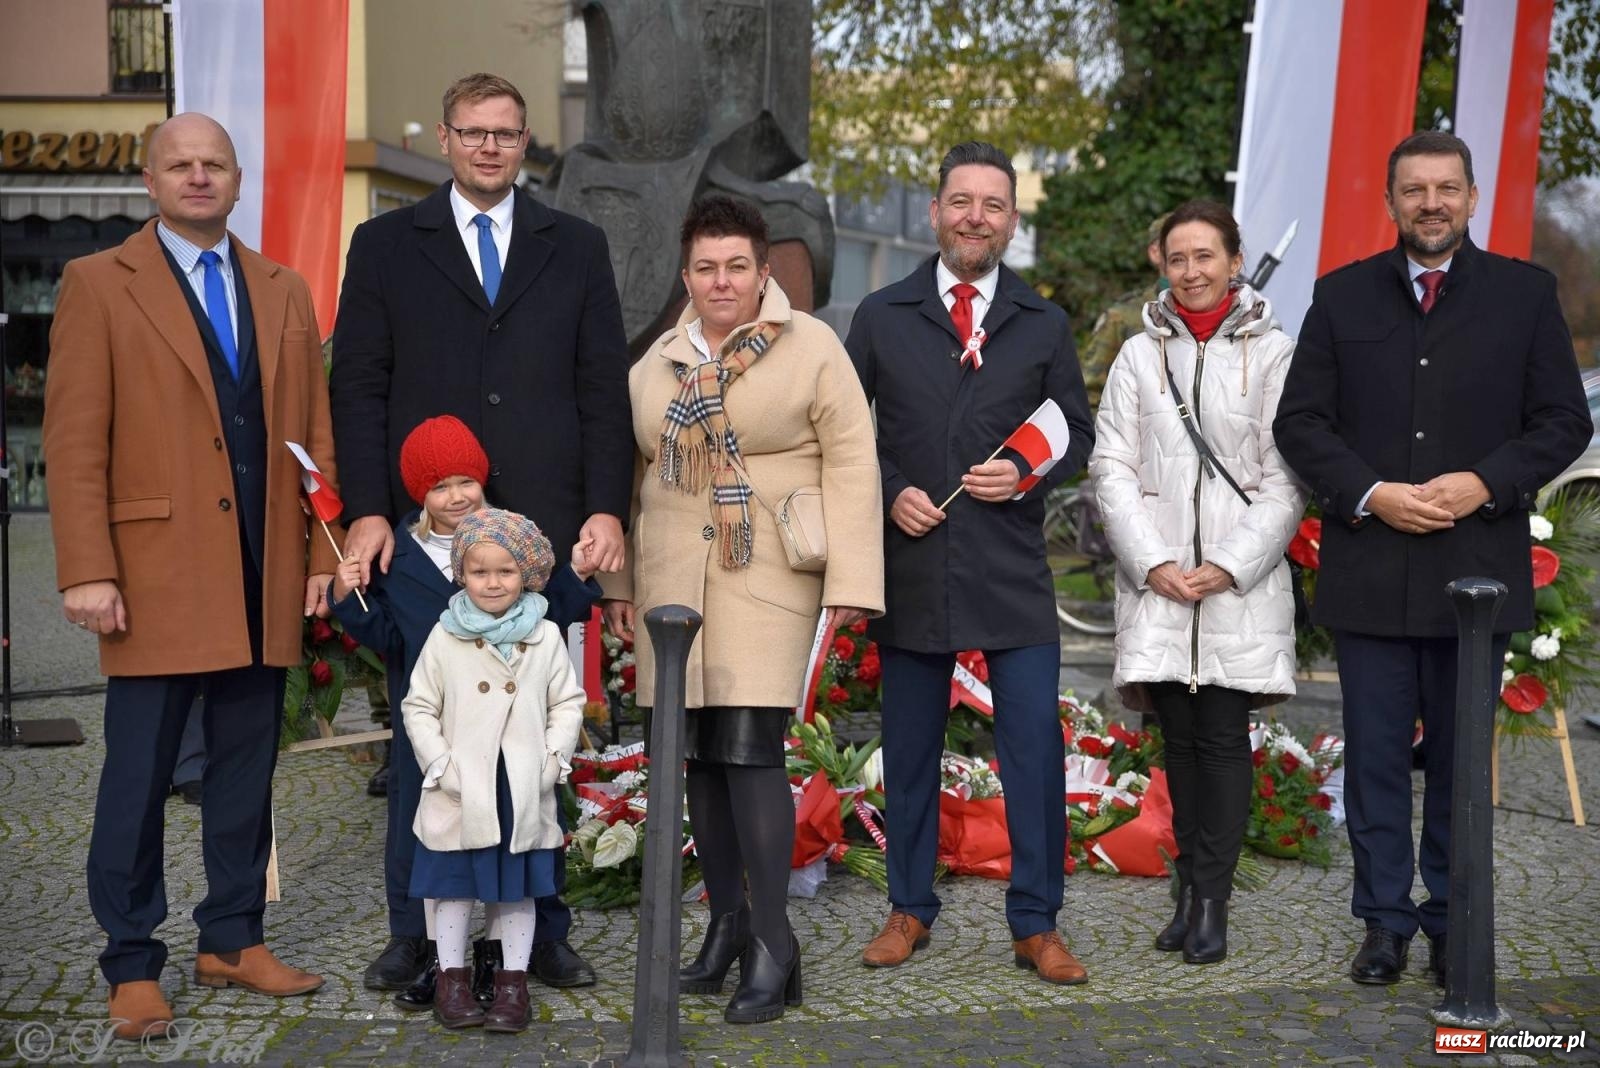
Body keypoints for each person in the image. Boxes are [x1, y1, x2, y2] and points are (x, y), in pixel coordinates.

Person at [331, 71, 633, 991]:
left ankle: (541, 931)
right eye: (473, 132)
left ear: (526, 138)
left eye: (506, 133)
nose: (490, 147)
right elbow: (360, 384)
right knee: (428, 744)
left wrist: (607, 507)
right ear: (447, 136)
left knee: (538, 745)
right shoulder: (385, 244)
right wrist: (370, 510)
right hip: (425, 542)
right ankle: (415, 933)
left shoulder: (575, 246)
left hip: (538, 536)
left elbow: (600, 388)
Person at [42, 112, 335, 1040]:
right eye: (181, 165)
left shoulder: (285, 289)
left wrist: (322, 556)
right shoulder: (97, 283)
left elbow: (314, 440)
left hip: (264, 566)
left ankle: (231, 938)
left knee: (246, 769)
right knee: (139, 773)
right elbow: (74, 438)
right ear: (150, 179)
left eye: (215, 165)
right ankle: (131, 959)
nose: (199, 178)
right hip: (154, 572)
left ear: (239, 180)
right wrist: (88, 568)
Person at [1273, 131, 1589, 987]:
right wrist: (1372, 492)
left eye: (1447, 188)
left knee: (1458, 766)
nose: (1431, 204)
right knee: (1374, 764)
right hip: (1371, 569)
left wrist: (1483, 482)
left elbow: (1564, 421)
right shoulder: (1340, 299)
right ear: (1391, 202)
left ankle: (1454, 920)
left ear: (1473, 198)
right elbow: (1301, 423)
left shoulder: (1525, 296)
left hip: (1474, 578)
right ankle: (1383, 923)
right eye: (1414, 190)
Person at [600, 194, 883, 1024]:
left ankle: (773, 941)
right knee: (700, 763)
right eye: (704, 268)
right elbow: (629, 475)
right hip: (673, 585)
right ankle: (723, 928)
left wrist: (854, 588)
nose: (720, 282)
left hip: (768, 576)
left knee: (752, 751)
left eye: (736, 267)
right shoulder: (656, 361)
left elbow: (855, 462)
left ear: (763, 272)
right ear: (685, 274)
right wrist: (620, 588)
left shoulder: (814, 348)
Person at [844, 141, 1094, 984]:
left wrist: (1025, 468)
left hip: (1011, 568)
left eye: (992, 204)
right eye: (961, 201)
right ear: (935, 211)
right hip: (912, 566)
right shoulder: (881, 314)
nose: (975, 217)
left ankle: (1036, 923)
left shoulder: (1043, 321)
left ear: (1012, 220)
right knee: (909, 752)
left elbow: (1075, 429)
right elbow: (843, 436)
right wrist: (887, 491)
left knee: (1033, 753)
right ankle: (909, 909)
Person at [1089, 199, 1307, 964]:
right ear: (1162, 263)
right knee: (1176, 743)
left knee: (1220, 740)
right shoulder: (1138, 357)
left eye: (1205, 256)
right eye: (1178, 258)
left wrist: (1230, 564)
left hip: (1235, 585)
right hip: (1159, 584)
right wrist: (1152, 561)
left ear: (1235, 260)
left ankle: (1213, 900)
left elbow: (1288, 478)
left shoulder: (1276, 354)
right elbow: (1110, 466)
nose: (1192, 271)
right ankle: (1188, 890)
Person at [328, 416, 602, 1009]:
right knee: (420, 834)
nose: (454, 497)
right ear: (418, 495)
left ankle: (545, 938)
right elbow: (385, 635)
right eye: (438, 487)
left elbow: (547, 612)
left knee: (529, 831)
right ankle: (413, 938)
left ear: (482, 479)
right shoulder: (398, 556)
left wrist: (577, 576)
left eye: (464, 481)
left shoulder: (509, 537)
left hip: (516, 728)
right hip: (438, 732)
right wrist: (344, 597)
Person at [400, 508, 587, 1032]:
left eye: (505, 571)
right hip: (463, 789)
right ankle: (452, 982)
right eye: (480, 572)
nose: (492, 582)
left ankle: (512, 987)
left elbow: (567, 702)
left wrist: (552, 759)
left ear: (525, 574)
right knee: (454, 889)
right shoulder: (445, 635)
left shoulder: (545, 635)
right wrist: (440, 764)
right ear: (462, 575)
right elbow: (419, 706)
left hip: (521, 788)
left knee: (516, 892)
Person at [1080, 212, 1170, 412]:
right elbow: (1089, 393)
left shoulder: (1220, 311)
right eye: (1175, 243)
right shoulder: (1124, 316)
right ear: (1155, 252)